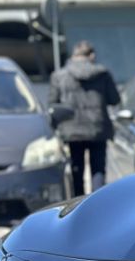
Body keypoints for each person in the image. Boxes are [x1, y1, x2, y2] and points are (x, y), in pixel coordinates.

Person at [48, 40, 120, 194]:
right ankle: (97, 203)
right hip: (98, 127)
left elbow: (53, 105)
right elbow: (115, 99)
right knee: (98, 170)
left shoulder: (59, 75)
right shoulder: (103, 74)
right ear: (91, 55)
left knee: (76, 168)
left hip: (71, 129)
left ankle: (77, 204)